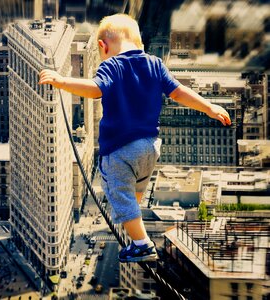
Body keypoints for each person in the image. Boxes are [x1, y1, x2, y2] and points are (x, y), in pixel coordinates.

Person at [38, 14, 231, 263]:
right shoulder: (155, 64)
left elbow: (95, 89)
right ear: (139, 43)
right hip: (150, 148)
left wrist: (62, 81)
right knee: (135, 190)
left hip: (119, 150)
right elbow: (179, 92)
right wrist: (209, 107)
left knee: (118, 192)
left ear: (103, 47)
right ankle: (135, 225)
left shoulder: (112, 65)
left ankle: (142, 244)